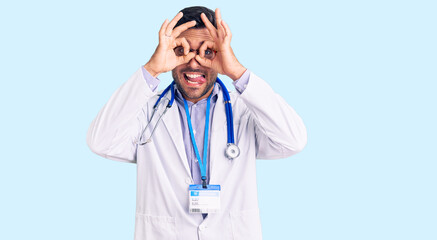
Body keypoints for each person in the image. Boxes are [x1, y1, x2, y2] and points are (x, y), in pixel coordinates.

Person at [87, 6, 307, 240]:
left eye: (207, 52)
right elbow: (100, 142)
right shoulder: (146, 113)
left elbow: (293, 140)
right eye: (181, 50)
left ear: (221, 54)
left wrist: (237, 73)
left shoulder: (244, 111)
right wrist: (151, 69)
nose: (193, 63)